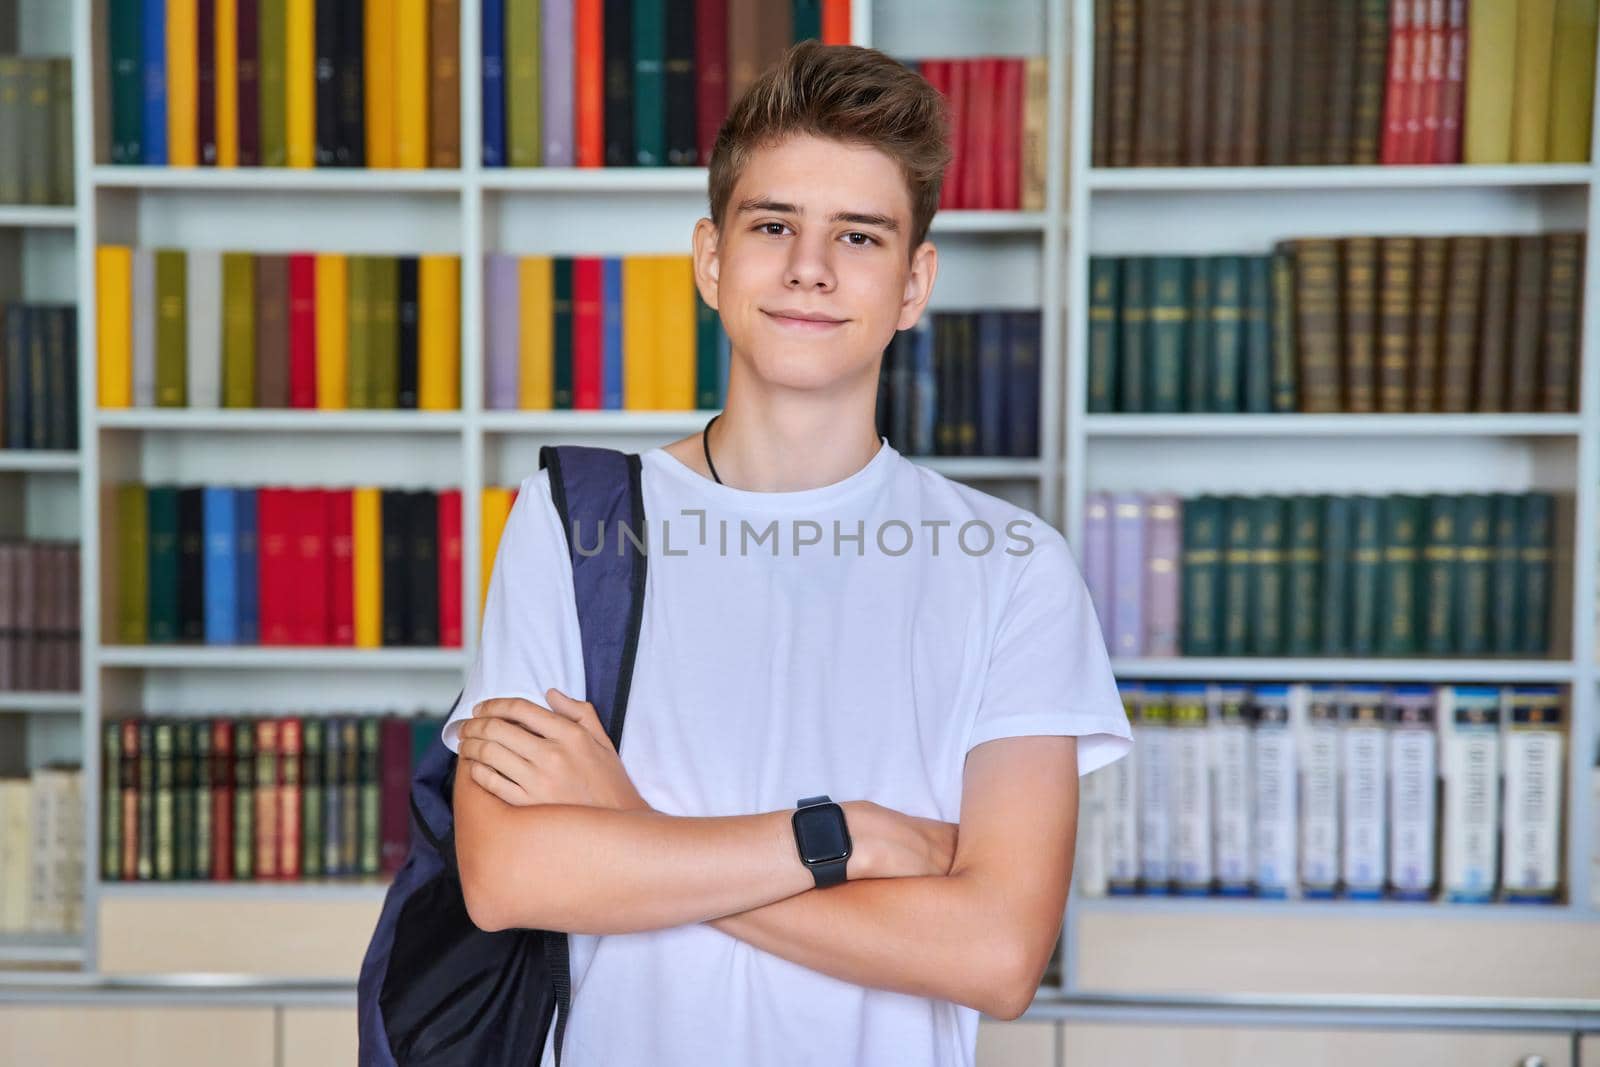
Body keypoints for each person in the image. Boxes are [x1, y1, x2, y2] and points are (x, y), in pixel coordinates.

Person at [441, 38, 1132, 1067]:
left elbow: (995, 953)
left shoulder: (1011, 565)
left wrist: (629, 830)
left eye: (859, 236)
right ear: (712, 259)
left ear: (913, 282)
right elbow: (509, 878)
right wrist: (841, 838)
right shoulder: (576, 519)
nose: (810, 267)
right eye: (774, 225)